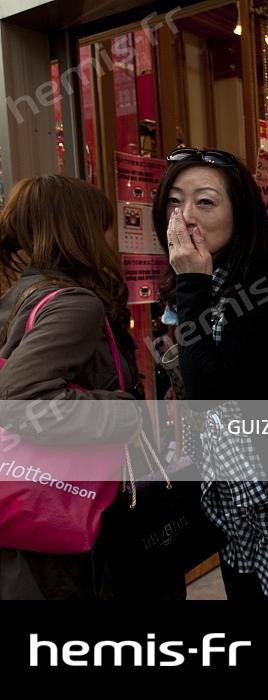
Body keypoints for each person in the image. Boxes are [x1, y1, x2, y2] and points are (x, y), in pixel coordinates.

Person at [153, 147, 268, 600]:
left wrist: (192, 283)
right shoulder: (199, 280)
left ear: (242, 212)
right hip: (227, 494)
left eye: (205, 202)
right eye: (175, 201)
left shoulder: (265, 285)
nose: (186, 217)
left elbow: (211, 395)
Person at [0, 175, 142, 599]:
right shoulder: (73, 303)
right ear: (78, 231)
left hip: (22, 512)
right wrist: (125, 412)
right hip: (64, 513)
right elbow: (22, 401)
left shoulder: (17, 298)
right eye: (101, 228)